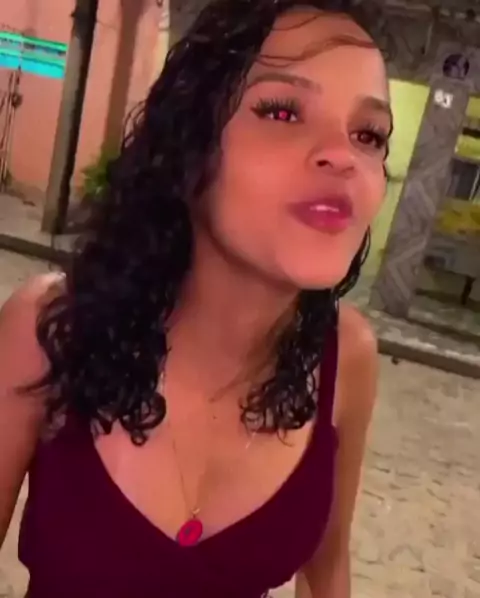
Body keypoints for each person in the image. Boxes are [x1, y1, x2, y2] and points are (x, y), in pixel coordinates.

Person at [0, 0, 393, 596]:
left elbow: (327, 568)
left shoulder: (347, 357)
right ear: (190, 143)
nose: (343, 155)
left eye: (369, 135)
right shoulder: (51, 327)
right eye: (283, 111)